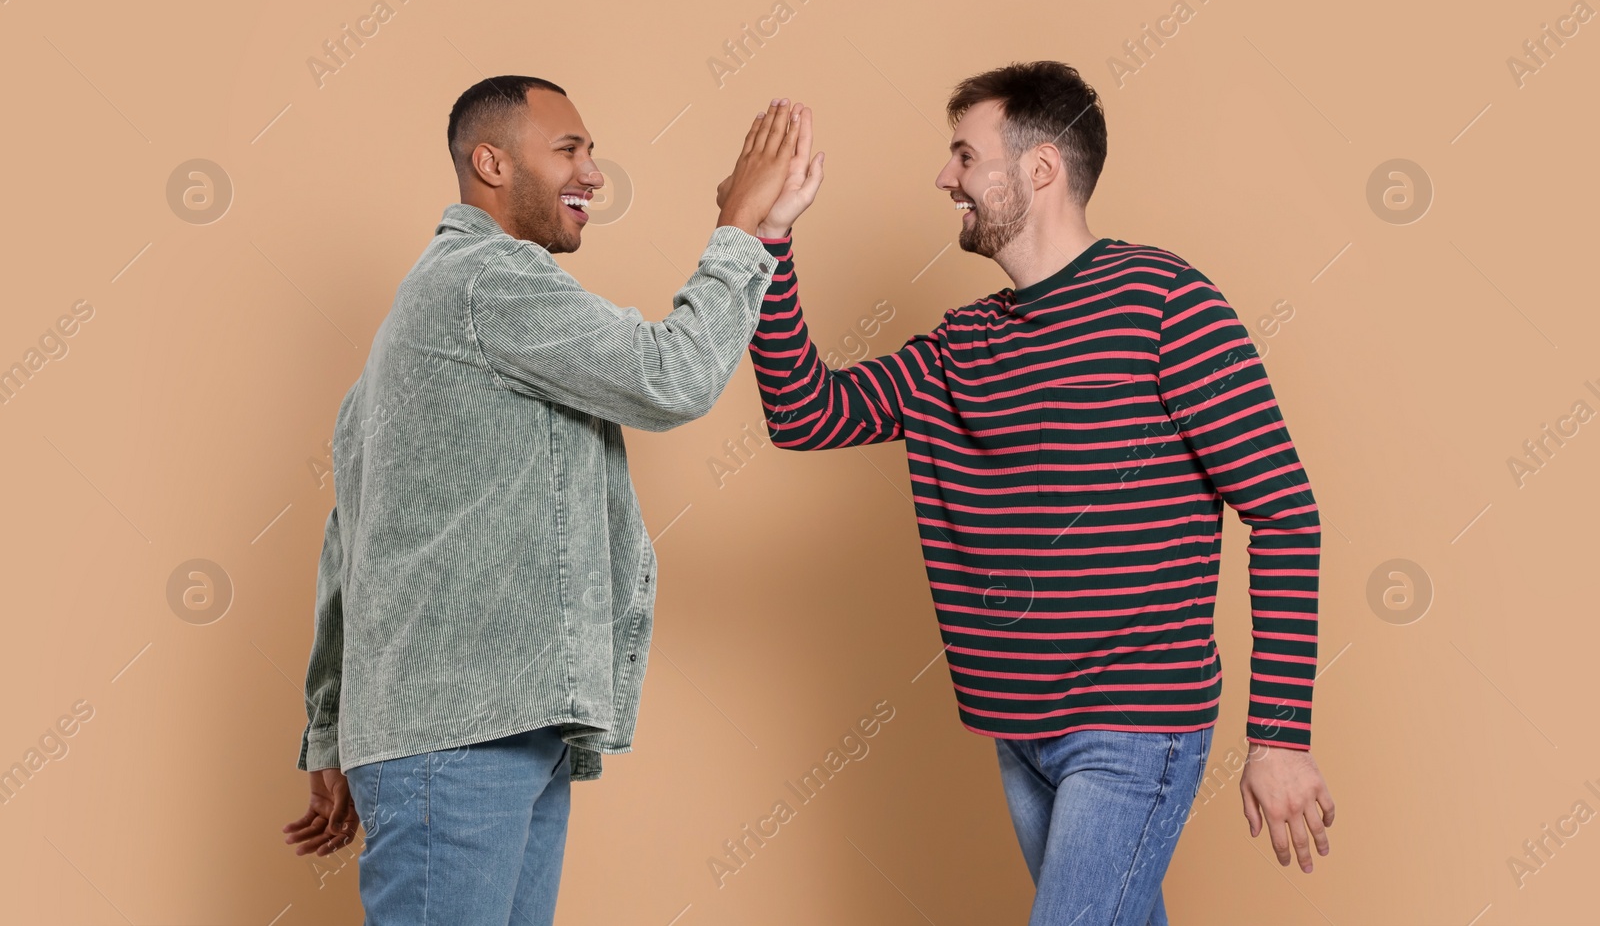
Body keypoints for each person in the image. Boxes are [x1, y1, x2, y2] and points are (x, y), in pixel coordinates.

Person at [739, 62, 1335, 925]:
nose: (945, 178)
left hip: (1134, 723)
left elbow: (1283, 512)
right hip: (1017, 730)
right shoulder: (963, 344)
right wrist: (766, 241)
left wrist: (1278, 735)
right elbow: (805, 411)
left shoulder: (1167, 303)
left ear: (1041, 168)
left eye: (964, 155)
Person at [281, 75, 807, 924]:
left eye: (591, 151)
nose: (594, 173)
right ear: (490, 162)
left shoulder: (416, 316)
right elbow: (668, 375)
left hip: (500, 731)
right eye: (570, 148)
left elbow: (352, 537)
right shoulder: (488, 282)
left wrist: (334, 730)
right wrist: (742, 231)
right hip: (456, 742)